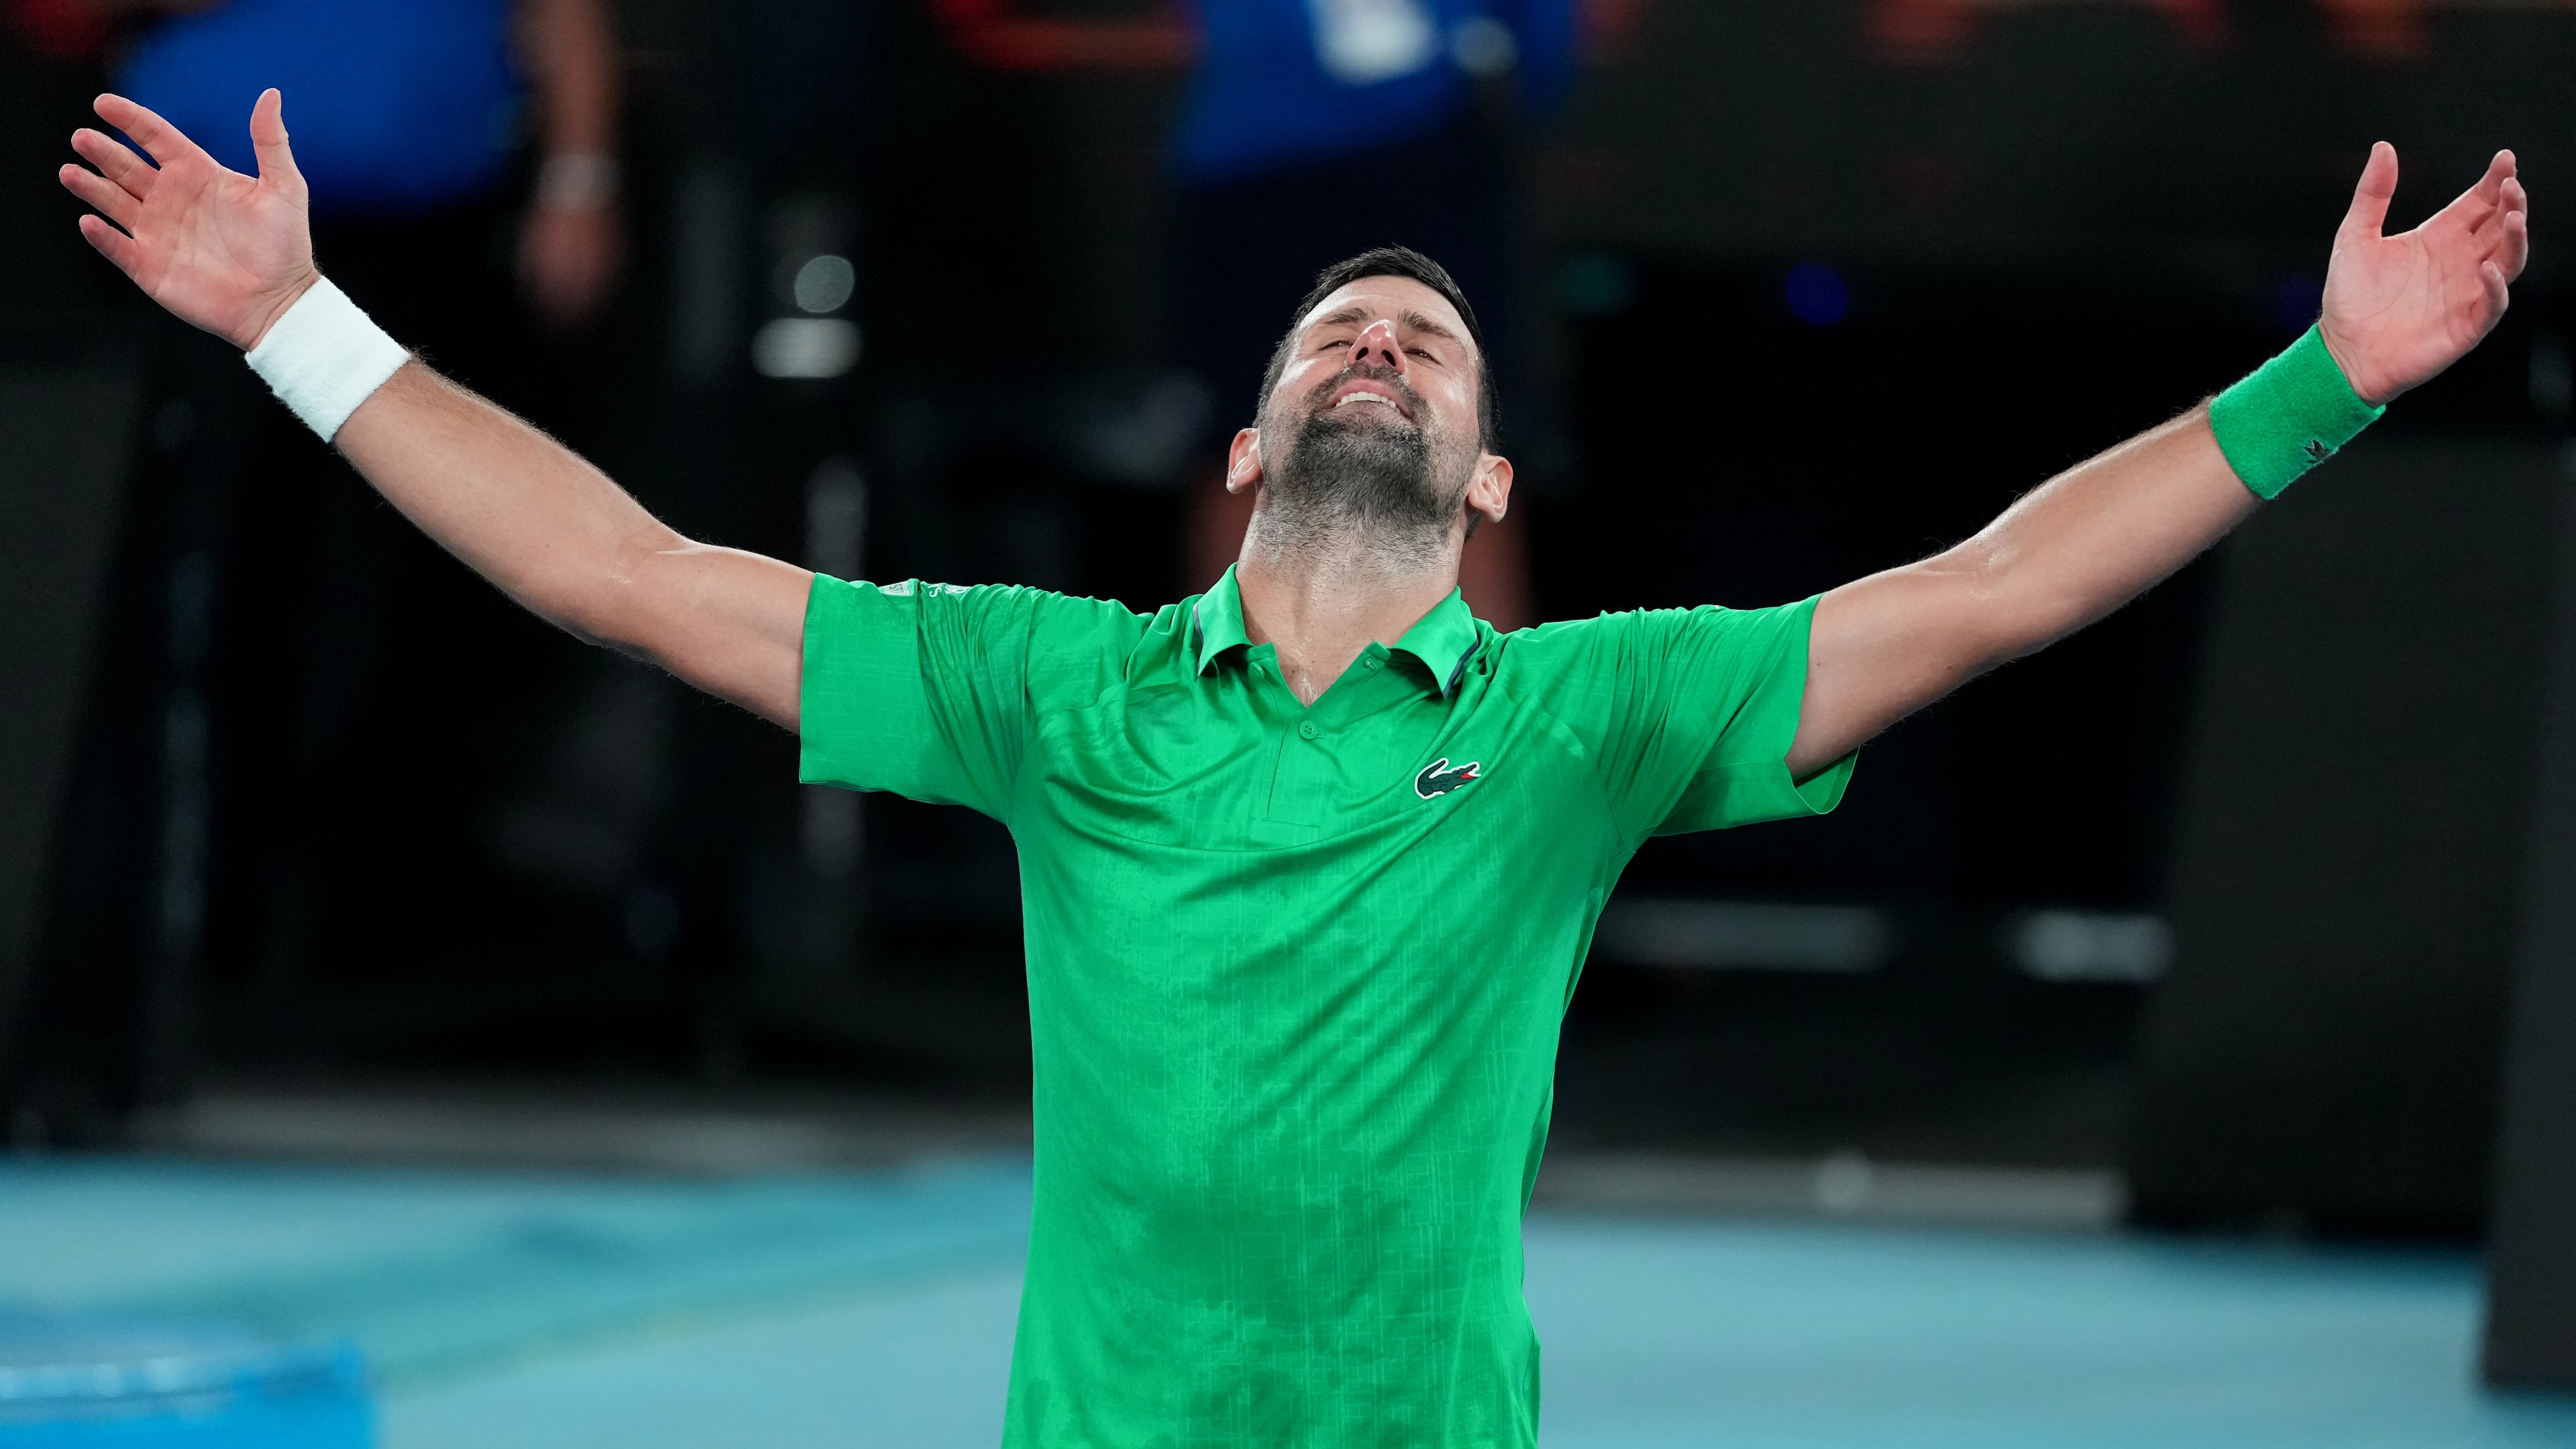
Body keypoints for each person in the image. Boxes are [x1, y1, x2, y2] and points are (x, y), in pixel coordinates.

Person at [58, 90, 2528, 1445]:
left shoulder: (1590, 719)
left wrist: (2325, 383)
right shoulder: (1053, 689)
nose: (1378, 343)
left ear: (1486, 489)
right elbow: (620, 568)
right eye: (1339, 330)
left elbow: (2000, 584)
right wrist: (294, 325)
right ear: (1241, 451)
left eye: (1426, 348)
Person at [1174, 0, 1576, 628]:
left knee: (1471, 434)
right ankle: (1229, 704)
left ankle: (1483, 712)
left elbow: (1544, 43)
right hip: (1264, 169)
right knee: (1244, 438)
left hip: (1426, 156)